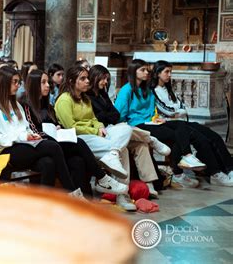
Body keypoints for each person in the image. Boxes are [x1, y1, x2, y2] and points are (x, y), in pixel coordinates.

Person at [19, 69, 128, 197]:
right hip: (41, 145)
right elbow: (32, 129)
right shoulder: (26, 105)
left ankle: (85, 198)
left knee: (78, 160)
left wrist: (57, 128)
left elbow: (57, 124)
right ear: (34, 85)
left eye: (48, 82)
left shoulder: (48, 106)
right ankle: (100, 179)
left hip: (54, 142)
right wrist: (53, 132)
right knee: (79, 143)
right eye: (43, 82)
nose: (48, 85)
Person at [0, 66, 83, 197]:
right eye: (14, 82)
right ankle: (72, 193)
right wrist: (22, 137)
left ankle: (44, 204)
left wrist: (30, 135)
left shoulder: (14, 103)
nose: (17, 85)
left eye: (18, 82)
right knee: (52, 147)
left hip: (22, 145)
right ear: (4, 82)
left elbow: (25, 127)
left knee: (47, 163)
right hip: (3, 151)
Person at [114, 59, 207, 189]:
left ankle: (188, 156)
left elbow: (152, 109)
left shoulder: (147, 89)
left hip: (150, 122)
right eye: (143, 70)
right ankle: (178, 173)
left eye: (147, 70)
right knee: (173, 135)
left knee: (181, 125)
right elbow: (120, 112)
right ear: (133, 72)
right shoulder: (127, 90)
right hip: (136, 124)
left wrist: (155, 118)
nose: (147, 72)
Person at [54, 66, 135, 210]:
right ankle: (121, 194)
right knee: (124, 151)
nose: (87, 81)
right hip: (78, 138)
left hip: (93, 134)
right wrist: (94, 130)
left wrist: (99, 127)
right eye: (83, 79)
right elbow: (70, 126)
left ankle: (114, 160)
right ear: (72, 81)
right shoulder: (64, 100)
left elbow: (94, 118)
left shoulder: (85, 99)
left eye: (87, 78)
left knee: (126, 129)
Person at [87, 65, 171, 197]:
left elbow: (115, 114)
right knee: (126, 131)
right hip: (102, 133)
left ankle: (149, 183)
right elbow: (99, 118)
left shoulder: (102, 94)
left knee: (140, 145)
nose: (105, 82)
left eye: (106, 79)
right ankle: (151, 139)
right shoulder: (87, 96)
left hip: (113, 129)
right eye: (102, 79)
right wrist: (107, 116)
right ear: (94, 78)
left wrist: (107, 116)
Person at [151, 60, 233, 186]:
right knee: (203, 141)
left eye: (170, 72)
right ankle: (215, 173)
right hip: (171, 123)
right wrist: (178, 112)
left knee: (214, 137)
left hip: (181, 122)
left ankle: (230, 169)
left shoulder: (168, 90)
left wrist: (178, 112)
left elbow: (182, 107)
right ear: (157, 73)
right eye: (166, 72)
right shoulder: (154, 91)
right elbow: (167, 111)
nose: (169, 75)